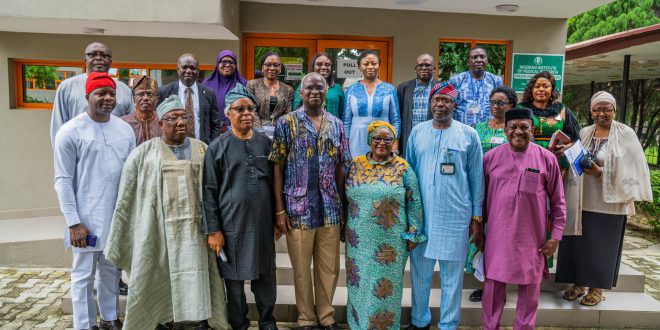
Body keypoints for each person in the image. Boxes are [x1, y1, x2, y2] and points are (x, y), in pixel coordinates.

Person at [105, 95, 230, 330]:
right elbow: (127, 199)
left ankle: (200, 318)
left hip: (197, 232)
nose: (180, 122)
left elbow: (217, 192)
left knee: (198, 273)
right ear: (161, 123)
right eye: (172, 118)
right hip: (158, 233)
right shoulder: (143, 154)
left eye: (184, 117)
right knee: (158, 274)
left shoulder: (203, 150)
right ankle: (162, 318)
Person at [53, 72, 135, 330]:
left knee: (111, 272)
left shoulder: (124, 129)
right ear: (87, 96)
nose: (108, 98)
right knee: (83, 276)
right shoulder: (69, 131)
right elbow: (63, 180)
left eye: (112, 93)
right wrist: (74, 222)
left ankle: (110, 319)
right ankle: (84, 325)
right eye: (101, 93)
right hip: (84, 221)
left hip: (116, 217)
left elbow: (130, 178)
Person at [555, 91, 653, 306]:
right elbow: (577, 159)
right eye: (597, 109)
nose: (602, 113)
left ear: (614, 111)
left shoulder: (625, 134)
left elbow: (632, 169)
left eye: (607, 109)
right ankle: (579, 283)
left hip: (610, 203)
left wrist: (600, 171)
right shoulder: (585, 132)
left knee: (601, 246)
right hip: (581, 198)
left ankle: (596, 288)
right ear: (591, 111)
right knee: (579, 243)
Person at [270, 73, 350, 330]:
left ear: (326, 93)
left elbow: (341, 167)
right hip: (297, 209)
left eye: (319, 88)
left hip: (329, 208)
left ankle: (326, 317)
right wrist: (280, 210)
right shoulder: (286, 123)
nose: (315, 91)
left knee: (329, 270)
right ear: (301, 93)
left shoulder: (336, 124)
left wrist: (343, 206)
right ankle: (306, 318)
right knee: (302, 270)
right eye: (309, 88)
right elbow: (277, 167)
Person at [478, 107, 566, 330]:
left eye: (524, 127)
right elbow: (479, 199)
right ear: (505, 129)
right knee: (493, 288)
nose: (518, 131)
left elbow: (558, 202)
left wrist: (555, 236)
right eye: (513, 127)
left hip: (532, 238)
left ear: (533, 129)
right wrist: (478, 230)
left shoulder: (546, 159)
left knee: (530, 290)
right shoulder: (489, 158)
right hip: (498, 236)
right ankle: (490, 326)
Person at [405, 83, 484, 330]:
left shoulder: (468, 134)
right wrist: (408, 215)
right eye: (436, 100)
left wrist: (476, 217)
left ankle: (448, 324)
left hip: (455, 216)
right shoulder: (417, 132)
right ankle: (420, 321)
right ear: (430, 104)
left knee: (452, 277)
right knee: (420, 275)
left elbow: (476, 178)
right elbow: (408, 174)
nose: (440, 104)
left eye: (446, 101)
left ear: (454, 105)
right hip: (422, 217)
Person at [203, 84, 278, 330]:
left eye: (250, 108)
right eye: (240, 109)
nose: (247, 113)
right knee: (233, 282)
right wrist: (213, 230)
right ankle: (239, 324)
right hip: (231, 225)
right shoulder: (217, 147)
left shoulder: (265, 143)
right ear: (228, 113)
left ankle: (267, 321)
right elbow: (209, 191)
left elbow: (277, 182)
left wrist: (278, 217)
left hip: (262, 222)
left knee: (266, 277)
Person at [345, 121, 426, 330]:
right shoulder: (355, 164)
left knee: (384, 289)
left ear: (394, 142)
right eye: (377, 138)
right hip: (359, 240)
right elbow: (346, 198)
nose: (382, 143)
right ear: (369, 141)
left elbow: (414, 200)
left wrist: (414, 233)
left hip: (390, 243)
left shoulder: (403, 167)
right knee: (359, 285)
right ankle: (358, 325)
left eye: (387, 139)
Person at [518, 71, 581, 268]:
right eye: (537, 86)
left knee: (550, 209)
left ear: (552, 90)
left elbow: (576, 138)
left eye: (546, 86)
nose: (541, 89)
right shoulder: (522, 109)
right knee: (527, 206)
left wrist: (566, 147)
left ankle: (544, 257)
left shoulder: (562, 110)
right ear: (531, 89)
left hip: (556, 166)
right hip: (529, 164)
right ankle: (521, 253)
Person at [465, 85, 517, 302]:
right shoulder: (478, 128)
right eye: (493, 102)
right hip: (482, 190)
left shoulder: (516, 129)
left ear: (512, 106)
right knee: (480, 236)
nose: (495, 106)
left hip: (506, 191)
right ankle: (486, 283)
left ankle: (499, 287)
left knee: (501, 239)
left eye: (501, 102)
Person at [50, 42, 133, 144]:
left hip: (115, 149)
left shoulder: (125, 90)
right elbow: (58, 125)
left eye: (104, 55)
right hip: (79, 151)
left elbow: (131, 124)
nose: (98, 58)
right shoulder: (67, 87)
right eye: (92, 54)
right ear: (85, 60)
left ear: (110, 61)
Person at [344, 50, 401, 157]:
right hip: (356, 140)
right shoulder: (351, 90)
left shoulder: (389, 89)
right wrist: (346, 145)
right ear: (359, 67)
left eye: (374, 63)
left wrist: (395, 144)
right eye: (366, 64)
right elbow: (346, 121)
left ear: (379, 65)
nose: (370, 67)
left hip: (383, 141)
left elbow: (396, 119)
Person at [158, 53, 221, 144]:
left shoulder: (209, 93)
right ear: (178, 70)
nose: (188, 71)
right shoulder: (164, 92)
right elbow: (159, 122)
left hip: (201, 148)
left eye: (192, 68)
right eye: (184, 67)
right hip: (172, 146)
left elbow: (215, 123)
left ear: (198, 71)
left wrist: (211, 145)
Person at [396, 53, 439, 156]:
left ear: (434, 68)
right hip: (409, 138)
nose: (424, 68)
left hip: (432, 138)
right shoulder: (403, 88)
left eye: (427, 65)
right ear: (416, 68)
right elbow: (398, 116)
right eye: (420, 65)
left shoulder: (440, 87)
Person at [449, 47, 503, 126]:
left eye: (482, 57)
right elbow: (450, 105)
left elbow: (500, 106)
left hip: (488, 130)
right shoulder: (456, 80)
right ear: (468, 62)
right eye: (474, 57)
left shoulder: (496, 80)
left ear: (487, 60)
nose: (479, 60)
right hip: (462, 129)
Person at [247, 51, 294, 138]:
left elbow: (287, 113)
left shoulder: (288, 89)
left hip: (280, 133)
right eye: (268, 65)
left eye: (276, 65)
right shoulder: (252, 85)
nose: (272, 68)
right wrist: (260, 132)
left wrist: (280, 131)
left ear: (280, 68)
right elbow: (251, 109)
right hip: (256, 132)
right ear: (262, 68)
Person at [202, 50, 248, 133]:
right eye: (223, 62)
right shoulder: (207, 83)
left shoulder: (243, 83)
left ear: (235, 65)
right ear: (218, 64)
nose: (227, 65)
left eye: (231, 62)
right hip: (212, 130)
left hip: (237, 129)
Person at [292, 52, 345, 119]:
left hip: (332, 127)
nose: (323, 67)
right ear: (313, 66)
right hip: (306, 126)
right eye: (319, 64)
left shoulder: (337, 88)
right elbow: (295, 109)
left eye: (327, 65)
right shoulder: (303, 86)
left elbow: (342, 113)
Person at [121, 75, 161, 145]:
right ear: (134, 98)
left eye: (150, 94)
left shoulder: (163, 120)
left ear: (157, 98)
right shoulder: (123, 123)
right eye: (141, 94)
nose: (145, 98)